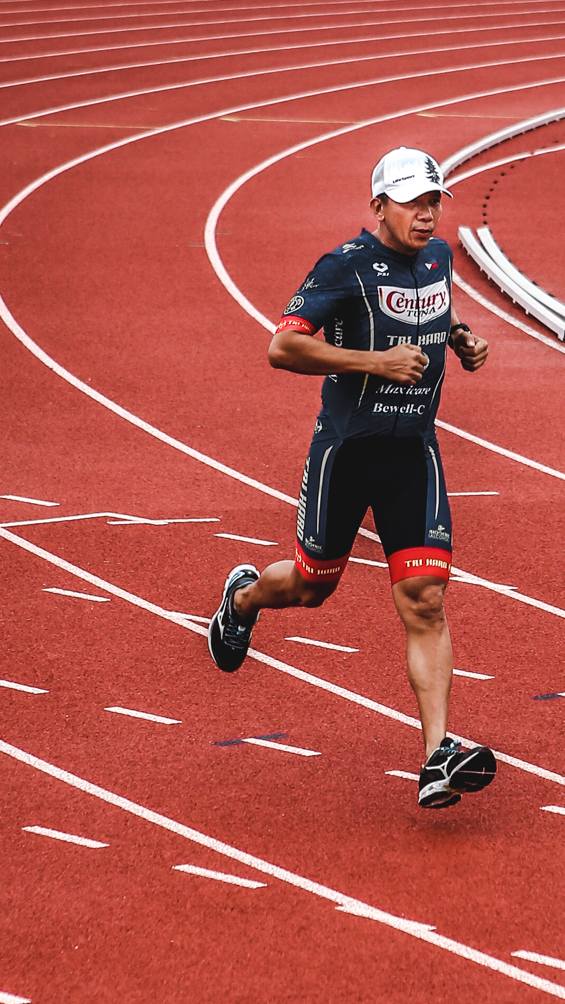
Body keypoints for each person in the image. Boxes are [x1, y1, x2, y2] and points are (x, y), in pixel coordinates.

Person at [208, 146, 496, 811]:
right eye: (412, 202)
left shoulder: (440, 258)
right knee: (312, 588)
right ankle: (244, 600)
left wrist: (462, 339)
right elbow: (282, 345)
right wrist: (372, 363)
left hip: (412, 455)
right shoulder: (344, 267)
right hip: (346, 454)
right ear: (379, 205)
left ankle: (436, 758)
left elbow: (437, 309)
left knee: (424, 598)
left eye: (433, 202)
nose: (425, 215)